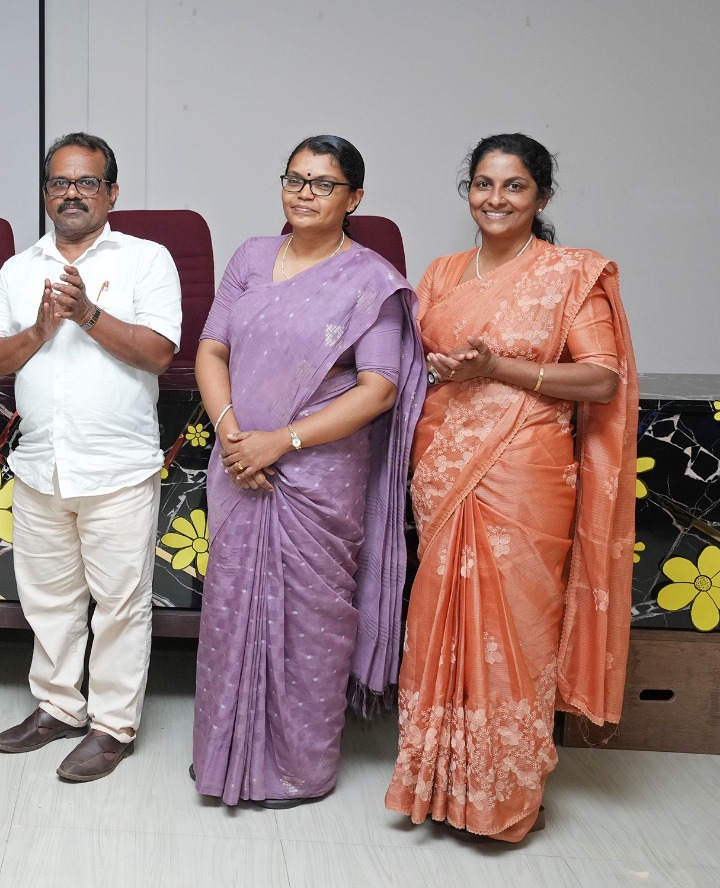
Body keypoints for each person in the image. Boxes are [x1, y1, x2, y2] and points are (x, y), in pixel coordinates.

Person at [386, 134, 637, 842]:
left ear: (542, 196)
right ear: (468, 190)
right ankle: (440, 785)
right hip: (444, 464)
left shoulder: (570, 274)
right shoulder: (441, 273)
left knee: (517, 634)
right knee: (438, 620)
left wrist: (497, 368)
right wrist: (442, 371)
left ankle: (506, 800)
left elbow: (601, 378)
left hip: (526, 471)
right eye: (484, 184)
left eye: (514, 186)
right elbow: (415, 363)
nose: (495, 199)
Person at [191, 135, 425, 807]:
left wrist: (281, 443)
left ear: (354, 198)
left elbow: (379, 388)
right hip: (239, 465)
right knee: (230, 612)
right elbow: (211, 349)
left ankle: (299, 769)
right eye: (295, 179)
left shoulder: (371, 281)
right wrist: (236, 438)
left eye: (324, 184)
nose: (304, 193)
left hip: (318, 480)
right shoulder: (251, 257)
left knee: (310, 624)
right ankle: (221, 757)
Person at [0, 132, 181, 782]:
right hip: (41, 465)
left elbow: (160, 353)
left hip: (118, 467)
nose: (71, 193)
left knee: (120, 605)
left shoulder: (147, 259)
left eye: (86, 182)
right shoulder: (18, 268)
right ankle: (58, 707)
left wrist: (88, 314)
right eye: (59, 183)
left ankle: (112, 726)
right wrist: (39, 331)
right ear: (45, 193)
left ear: (111, 192)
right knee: (49, 600)